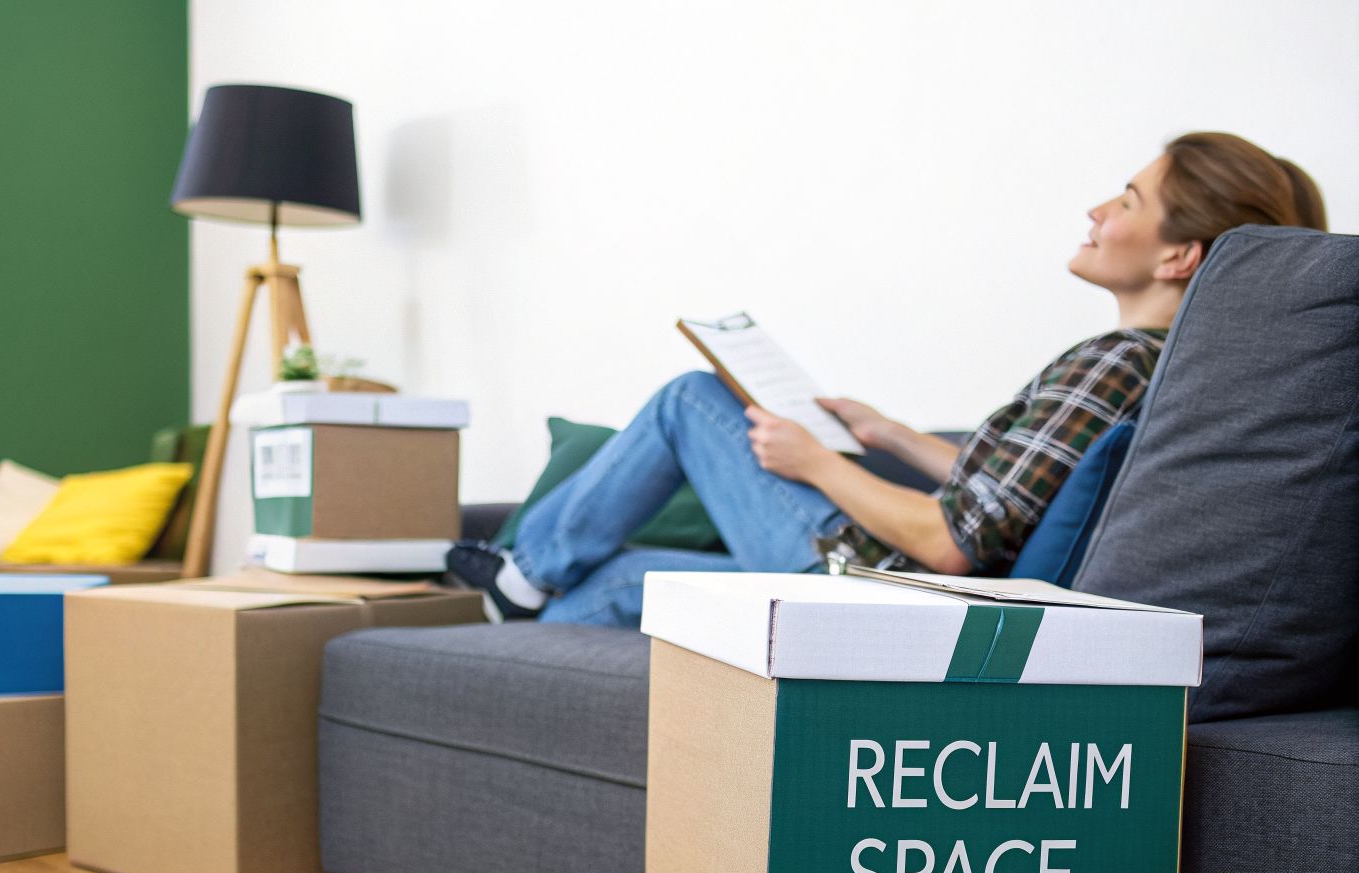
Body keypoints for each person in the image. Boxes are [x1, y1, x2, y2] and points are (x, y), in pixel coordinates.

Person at [449, 131, 1328, 628]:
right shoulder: (1158, 371)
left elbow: (956, 542)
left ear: (1180, 254)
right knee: (617, 584)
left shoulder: (1112, 362)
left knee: (690, 399)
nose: (1098, 211)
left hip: (866, 581)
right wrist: (894, 436)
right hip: (880, 590)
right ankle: (519, 620)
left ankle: (521, 575)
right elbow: (1014, 492)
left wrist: (817, 463)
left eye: (1127, 200)